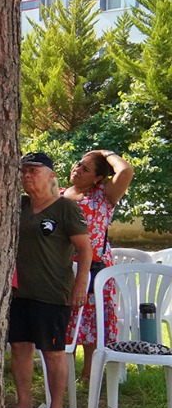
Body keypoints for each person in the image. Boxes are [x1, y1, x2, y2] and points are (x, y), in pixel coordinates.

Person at [10, 151, 89, 408]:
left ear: (51, 175)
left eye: (34, 170)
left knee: (52, 351)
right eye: (24, 171)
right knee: (19, 346)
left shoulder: (65, 208)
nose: (27, 176)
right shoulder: (18, 205)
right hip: (20, 291)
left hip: (53, 292)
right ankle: (24, 404)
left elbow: (84, 249)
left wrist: (80, 285)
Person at [63, 148, 135, 378]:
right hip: (62, 267)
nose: (77, 170)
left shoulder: (104, 195)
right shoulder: (59, 194)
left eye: (86, 169)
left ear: (98, 178)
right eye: (78, 164)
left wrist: (105, 153)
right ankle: (65, 374)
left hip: (95, 268)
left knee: (93, 321)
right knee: (66, 320)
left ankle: (89, 375)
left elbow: (125, 171)